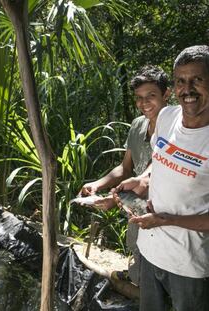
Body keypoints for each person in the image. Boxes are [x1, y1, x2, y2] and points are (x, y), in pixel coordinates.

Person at [115, 45, 209, 311]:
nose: (187, 89)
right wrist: (142, 181)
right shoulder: (167, 117)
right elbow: (160, 160)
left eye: (197, 80)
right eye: (181, 80)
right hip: (150, 251)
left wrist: (166, 220)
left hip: (189, 266)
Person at [78, 65, 170, 284]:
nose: (144, 103)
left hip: (164, 209)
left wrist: (115, 198)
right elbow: (125, 168)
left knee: (163, 263)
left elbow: (155, 172)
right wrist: (97, 185)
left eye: (151, 96)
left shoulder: (178, 125)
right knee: (136, 247)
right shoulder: (138, 124)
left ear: (166, 94)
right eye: (139, 97)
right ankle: (138, 279)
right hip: (134, 202)